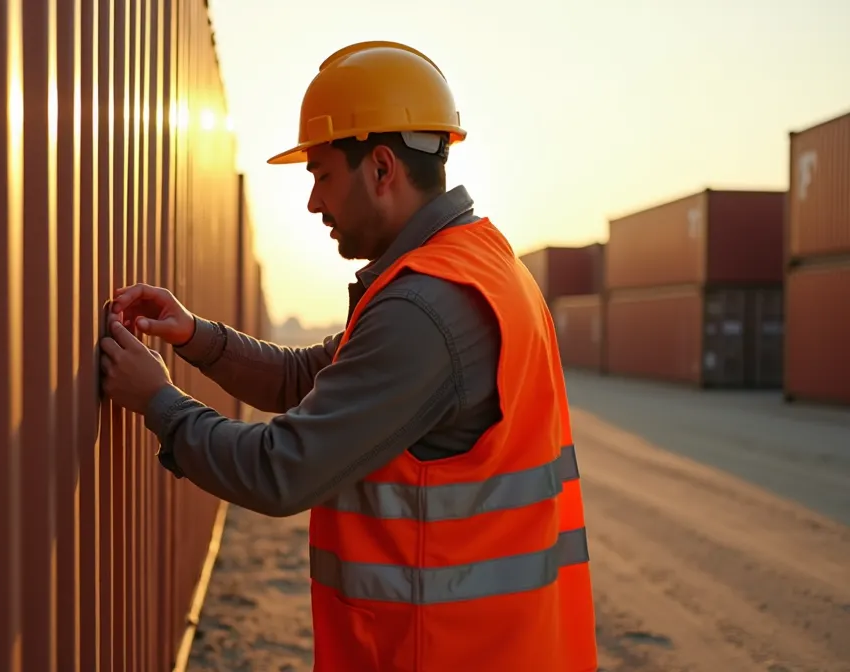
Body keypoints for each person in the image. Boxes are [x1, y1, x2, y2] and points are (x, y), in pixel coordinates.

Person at [99, 40, 598, 671]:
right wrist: (195, 335)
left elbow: (280, 472)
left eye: (321, 176)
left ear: (382, 168)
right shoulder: (477, 266)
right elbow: (315, 377)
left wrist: (158, 402)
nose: (313, 203)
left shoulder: (426, 310)